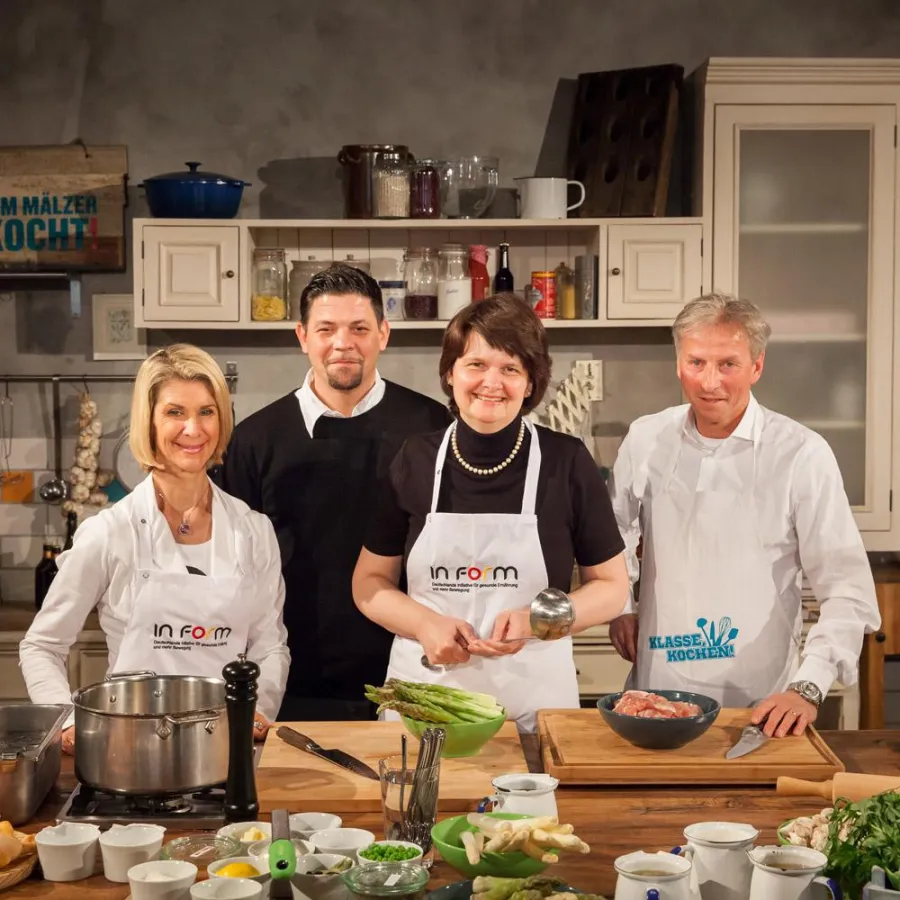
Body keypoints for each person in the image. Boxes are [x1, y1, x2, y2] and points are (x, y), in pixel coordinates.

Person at [353, 292, 629, 733]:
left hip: (533, 711)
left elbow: (612, 588)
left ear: (531, 382)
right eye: (476, 364)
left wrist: (538, 620)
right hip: (426, 705)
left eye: (510, 369)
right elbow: (368, 583)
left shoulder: (566, 461)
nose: (491, 382)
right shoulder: (415, 459)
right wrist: (425, 625)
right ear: (450, 373)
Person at [607, 292, 880, 738]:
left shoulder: (802, 453)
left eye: (728, 364)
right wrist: (621, 605)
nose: (709, 382)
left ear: (757, 366)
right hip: (659, 693)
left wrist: (807, 688)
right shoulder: (646, 437)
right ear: (678, 362)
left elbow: (847, 589)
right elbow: (613, 531)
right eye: (696, 362)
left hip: (764, 705)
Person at [20, 344, 290, 753]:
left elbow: (269, 646)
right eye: (175, 412)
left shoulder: (253, 531)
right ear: (149, 421)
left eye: (206, 411)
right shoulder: (110, 532)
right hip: (129, 753)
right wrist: (68, 721)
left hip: (225, 752)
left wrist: (260, 708)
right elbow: (41, 645)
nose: (194, 429)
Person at [221, 264, 450, 721]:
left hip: (411, 673)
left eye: (359, 328)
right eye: (326, 329)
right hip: (287, 678)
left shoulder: (431, 429)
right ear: (302, 336)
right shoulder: (253, 439)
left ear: (383, 334)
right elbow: (235, 569)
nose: (342, 343)